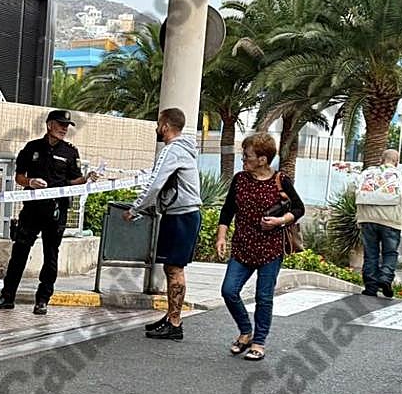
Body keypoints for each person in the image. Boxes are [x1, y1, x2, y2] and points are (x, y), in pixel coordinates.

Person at [0, 109, 97, 315]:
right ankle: (7, 297)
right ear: (49, 125)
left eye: (67, 126)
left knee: (51, 255)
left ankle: (43, 300)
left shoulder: (70, 152)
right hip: (32, 209)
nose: (64, 129)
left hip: (56, 210)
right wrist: (30, 182)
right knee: (19, 252)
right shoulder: (32, 148)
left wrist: (87, 179)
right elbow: (19, 176)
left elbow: (74, 180)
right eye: (61, 125)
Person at [215, 132, 305, 361]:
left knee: (264, 297)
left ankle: (259, 342)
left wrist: (279, 221)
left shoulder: (280, 180)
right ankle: (246, 331)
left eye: (247, 156)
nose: (243, 159)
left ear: (263, 159)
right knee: (229, 291)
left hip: (270, 248)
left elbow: (299, 208)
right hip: (242, 246)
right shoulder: (240, 179)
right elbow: (227, 210)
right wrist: (221, 237)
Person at [123, 107, 202, 341]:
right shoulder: (182, 149)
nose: (157, 128)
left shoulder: (172, 150)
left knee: (175, 268)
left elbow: (155, 183)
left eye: (159, 124)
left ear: (166, 126)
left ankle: (175, 323)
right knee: (170, 267)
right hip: (179, 214)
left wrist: (135, 208)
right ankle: (170, 317)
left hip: (182, 216)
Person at [354, 149, 402, 298]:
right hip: (391, 221)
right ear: (396, 162)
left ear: (381, 159)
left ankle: (370, 287)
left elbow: (356, 192)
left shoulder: (367, 173)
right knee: (390, 253)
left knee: (370, 253)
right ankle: (385, 278)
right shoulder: (401, 175)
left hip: (367, 220)